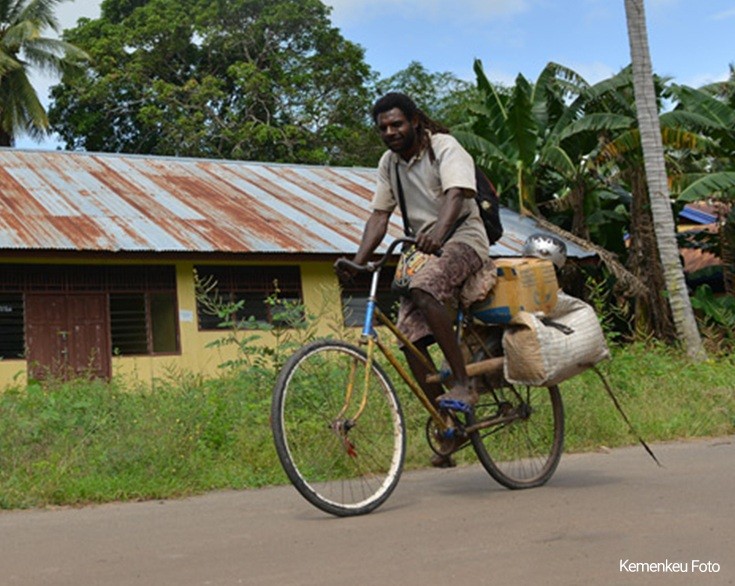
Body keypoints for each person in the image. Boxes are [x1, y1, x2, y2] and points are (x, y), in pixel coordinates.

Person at [336, 92, 490, 461]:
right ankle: (449, 424)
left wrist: (438, 231)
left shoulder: (445, 148)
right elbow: (378, 216)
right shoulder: (389, 164)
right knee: (407, 337)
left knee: (423, 287)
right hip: (423, 247)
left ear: (415, 121)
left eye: (397, 124)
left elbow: (456, 195)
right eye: (383, 127)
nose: (390, 131)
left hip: (463, 238)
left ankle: (464, 383)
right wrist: (358, 261)